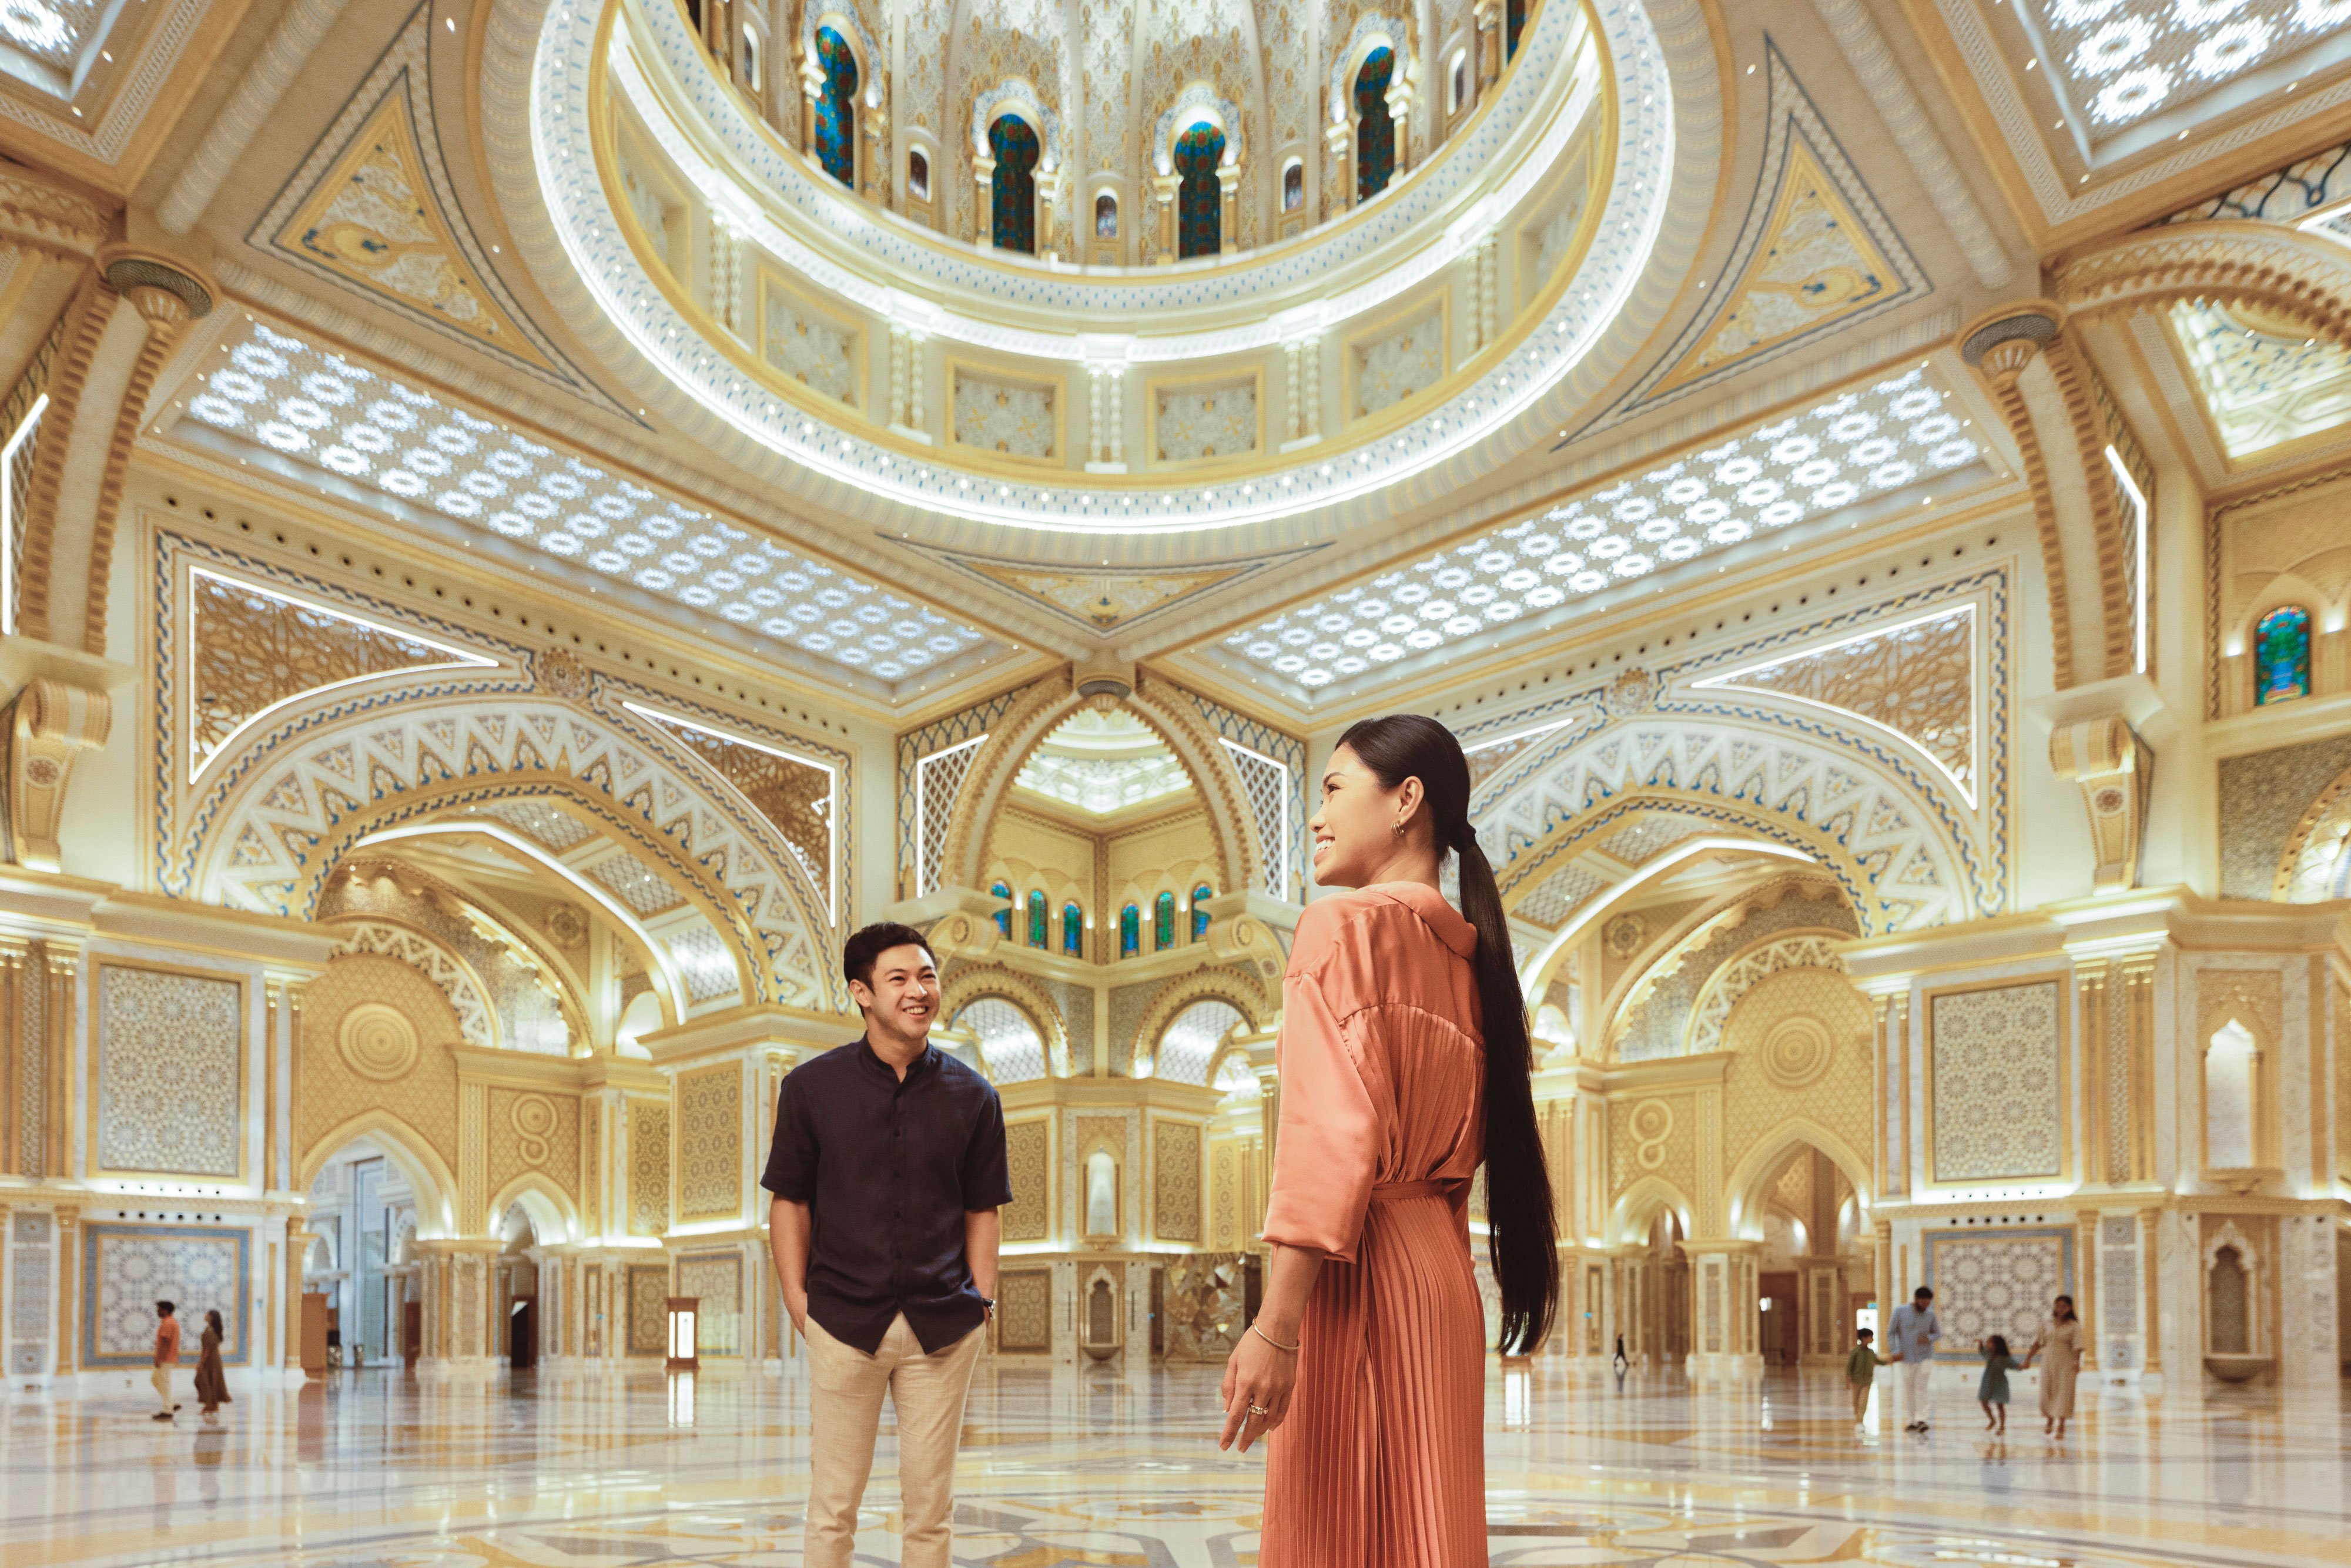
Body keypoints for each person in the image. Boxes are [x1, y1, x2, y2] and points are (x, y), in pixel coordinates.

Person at [1220, 713, 1558, 1568]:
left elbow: (1329, 1138)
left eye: (1334, 789)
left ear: (1407, 800)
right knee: (1428, 1533)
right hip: (1439, 1275)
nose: (1317, 816)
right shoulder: (1475, 965)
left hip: (1353, 1273)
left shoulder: (1340, 927)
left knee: (1336, 1537)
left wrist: (1276, 1325)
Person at [763, 922, 1010, 1568]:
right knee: (833, 1506)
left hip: (944, 1327)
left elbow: (982, 1207)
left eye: (927, 976)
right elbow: (789, 1200)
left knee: (931, 1510)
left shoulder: (975, 1096)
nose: (918, 991)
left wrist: (982, 1300)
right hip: (844, 1322)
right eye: (898, 978)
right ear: (862, 992)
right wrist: (799, 1301)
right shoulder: (811, 1089)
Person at [1886, 1286, 1940, 1431]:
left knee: (1921, 1388)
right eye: (1923, 1303)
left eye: (1928, 1303)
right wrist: (1895, 1351)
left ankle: (1922, 1419)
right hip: (1906, 1358)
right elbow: (1891, 1332)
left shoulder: (1930, 1315)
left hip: (1925, 1358)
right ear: (1916, 1299)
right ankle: (1912, 1420)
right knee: (1909, 1389)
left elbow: (1937, 1333)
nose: (1925, 1306)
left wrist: (1928, 1338)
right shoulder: (1900, 1312)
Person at [2030, 1294, 2083, 1439]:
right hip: (2048, 1361)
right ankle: (2050, 1419)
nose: (2061, 1309)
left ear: (2070, 1308)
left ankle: (2061, 1425)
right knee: (2048, 1390)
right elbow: (2038, 1343)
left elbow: (2077, 1346)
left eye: (2064, 1307)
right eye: (2058, 1306)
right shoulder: (2047, 1324)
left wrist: (2077, 1362)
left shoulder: (2074, 1326)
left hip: (2066, 1362)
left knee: (2064, 1392)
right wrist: (2029, 1358)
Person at [1975, 1334, 2024, 1435]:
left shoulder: (2004, 1357)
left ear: (1996, 1345)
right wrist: (1980, 1344)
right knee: (1984, 1401)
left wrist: (2022, 1366)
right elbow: (1982, 1352)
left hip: (2000, 1382)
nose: (1987, 1343)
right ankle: (1992, 1420)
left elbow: (2014, 1365)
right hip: (1988, 1381)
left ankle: (2002, 1427)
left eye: (1990, 1342)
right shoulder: (1989, 1353)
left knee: (2000, 1405)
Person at [193, 1309, 232, 1419]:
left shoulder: (211, 1331)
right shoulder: (210, 1329)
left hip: (211, 1360)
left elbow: (208, 1349)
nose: (205, 1315)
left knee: (205, 1381)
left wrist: (201, 1363)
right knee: (208, 1381)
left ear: (211, 1317)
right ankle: (211, 1404)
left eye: (207, 1314)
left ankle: (211, 1405)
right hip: (213, 1359)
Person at [1846, 1326, 1885, 1426]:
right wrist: (1848, 1381)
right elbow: (1849, 1367)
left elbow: (1878, 1361)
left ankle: (1860, 1421)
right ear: (1864, 1338)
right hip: (1856, 1381)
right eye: (1871, 1337)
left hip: (1867, 1382)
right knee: (1856, 1402)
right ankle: (1858, 1418)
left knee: (1863, 1402)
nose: (1872, 1339)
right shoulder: (1855, 1352)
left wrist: (1890, 1361)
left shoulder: (1871, 1352)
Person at [150, 1301, 182, 1420]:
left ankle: (168, 1410)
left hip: (166, 1358)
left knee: (163, 1382)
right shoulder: (171, 1322)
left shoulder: (168, 1323)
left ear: (166, 1311)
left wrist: (159, 1358)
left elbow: (164, 1342)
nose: (157, 1311)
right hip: (169, 1358)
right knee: (156, 1380)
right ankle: (173, 1403)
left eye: (159, 1309)